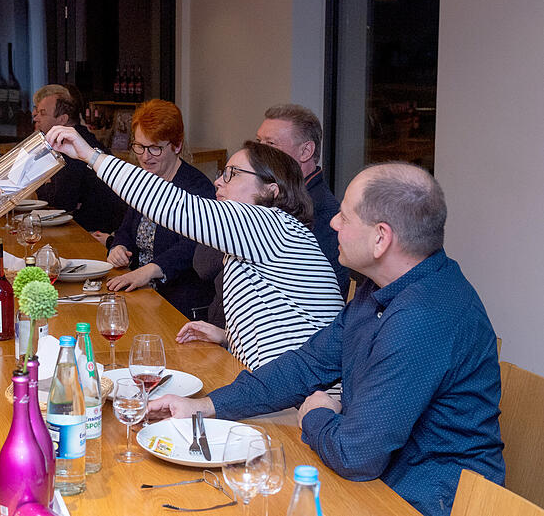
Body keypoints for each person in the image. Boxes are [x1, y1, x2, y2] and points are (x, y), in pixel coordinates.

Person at [150, 163, 505, 516]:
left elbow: (356, 454)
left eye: (345, 217)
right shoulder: (382, 288)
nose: (333, 222)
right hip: (382, 482)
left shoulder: (424, 315)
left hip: (430, 501)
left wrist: (316, 414)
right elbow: (307, 364)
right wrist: (206, 406)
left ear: (381, 238)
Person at [46, 126, 344, 370]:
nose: (218, 182)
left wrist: (91, 156)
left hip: (304, 398)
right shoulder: (268, 231)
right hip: (281, 381)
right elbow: (281, 323)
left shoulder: (269, 223)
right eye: (222, 173)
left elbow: (172, 204)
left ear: (271, 190)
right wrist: (228, 337)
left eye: (233, 174)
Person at [194, 103, 350, 328]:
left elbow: (206, 266)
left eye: (270, 144)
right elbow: (202, 261)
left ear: (306, 151)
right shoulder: (255, 197)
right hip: (225, 331)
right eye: (258, 142)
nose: (259, 152)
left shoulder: (321, 214)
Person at [95, 99, 215, 319]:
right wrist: (119, 246)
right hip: (142, 294)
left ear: (176, 146)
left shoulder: (197, 188)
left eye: (155, 148)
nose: (144, 156)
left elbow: (194, 246)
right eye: (139, 146)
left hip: (178, 302)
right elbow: (126, 229)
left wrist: (150, 270)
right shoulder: (143, 180)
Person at [31, 84, 125, 233]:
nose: (35, 117)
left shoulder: (73, 146)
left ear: (62, 119)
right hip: (81, 224)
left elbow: (61, 203)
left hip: (95, 233)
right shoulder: (74, 138)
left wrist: (41, 184)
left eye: (42, 113)